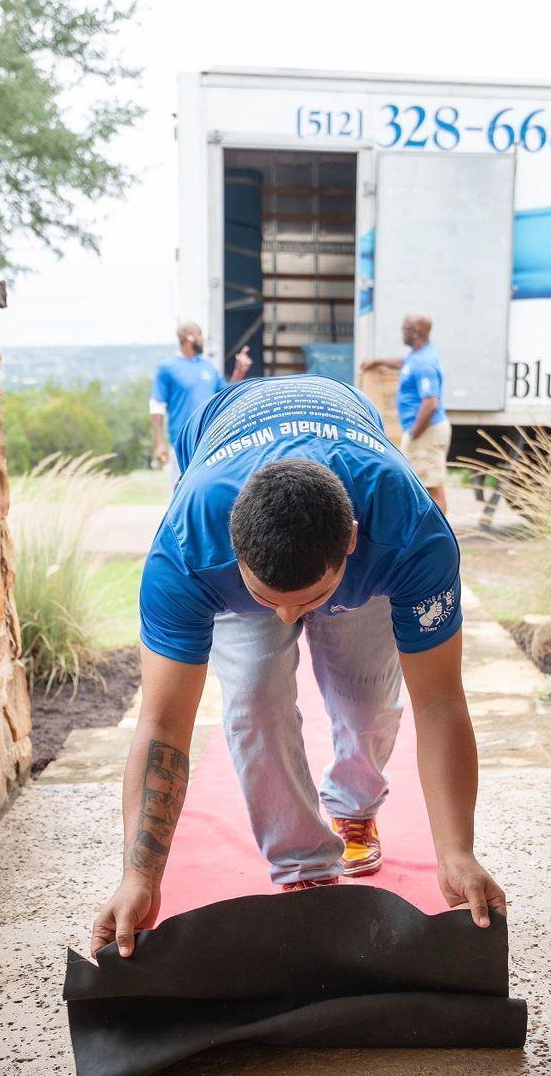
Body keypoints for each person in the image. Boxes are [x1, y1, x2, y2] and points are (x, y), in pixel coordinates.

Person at [91, 375, 505, 960]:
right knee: (253, 703)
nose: (288, 617)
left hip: (351, 495)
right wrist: (139, 878)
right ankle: (303, 866)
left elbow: (439, 702)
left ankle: (354, 807)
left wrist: (456, 851)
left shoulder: (410, 532)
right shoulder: (188, 547)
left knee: (365, 703)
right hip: (230, 459)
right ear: (233, 551)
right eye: (269, 600)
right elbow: (161, 724)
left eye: (306, 601)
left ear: (353, 542)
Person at [361, 313, 452, 513]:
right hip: (423, 431)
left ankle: (440, 538)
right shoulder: (417, 355)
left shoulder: (424, 363)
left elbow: (430, 403)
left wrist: (413, 434)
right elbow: (404, 363)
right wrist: (378, 361)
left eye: (404, 329)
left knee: (431, 486)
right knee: (426, 482)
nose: (402, 333)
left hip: (426, 432)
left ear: (415, 331)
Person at [150, 323, 251, 484]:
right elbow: (156, 407)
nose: (202, 340)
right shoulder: (167, 368)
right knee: (179, 493)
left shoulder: (207, 367)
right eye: (199, 334)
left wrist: (239, 371)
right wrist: (159, 444)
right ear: (188, 338)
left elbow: (226, 394)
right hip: (181, 444)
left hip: (209, 442)